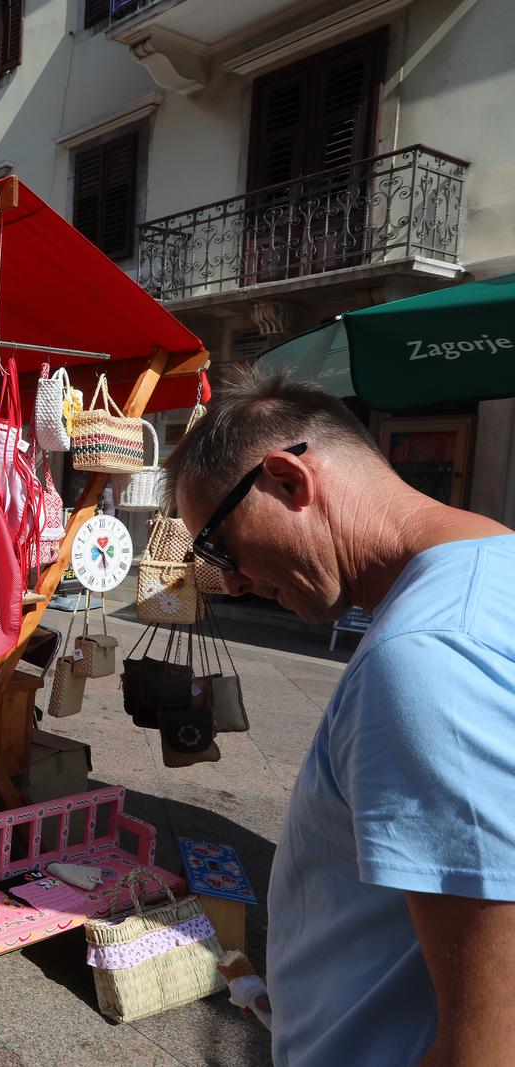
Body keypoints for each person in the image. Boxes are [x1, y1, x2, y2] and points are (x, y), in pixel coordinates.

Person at [165, 367, 515, 1066]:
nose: (229, 581)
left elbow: (485, 1047)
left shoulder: (428, 654)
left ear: (289, 480)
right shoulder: (490, 571)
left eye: (217, 548)